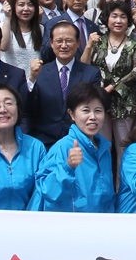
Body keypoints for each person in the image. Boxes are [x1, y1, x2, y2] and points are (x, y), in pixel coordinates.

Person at [30, 82, 115, 212]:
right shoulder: (63, 147)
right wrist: (67, 166)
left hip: (98, 226)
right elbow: (47, 191)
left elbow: (107, 196)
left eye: (98, 111)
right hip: (70, 226)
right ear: (72, 114)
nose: (92, 117)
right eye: (85, 110)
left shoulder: (104, 149)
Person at [85, 2, 136, 160]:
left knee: (125, 151)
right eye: (114, 16)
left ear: (128, 21)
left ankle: (123, 185)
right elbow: (84, 67)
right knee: (101, 150)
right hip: (99, 103)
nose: (118, 21)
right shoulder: (98, 42)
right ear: (107, 19)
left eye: (123, 17)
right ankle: (103, 185)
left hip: (125, 105)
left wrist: (112, 87)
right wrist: (89, 46)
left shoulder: (135, 46)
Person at [27, 21, 99, 146]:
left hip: (79, 141)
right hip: (45, 141)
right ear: (51, 43)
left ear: (78, 43)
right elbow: (29, 107)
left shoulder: (91, 74)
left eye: (69, 41)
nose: (64, 45)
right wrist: (32, 79)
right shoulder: (40, 72)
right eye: (59, 41)